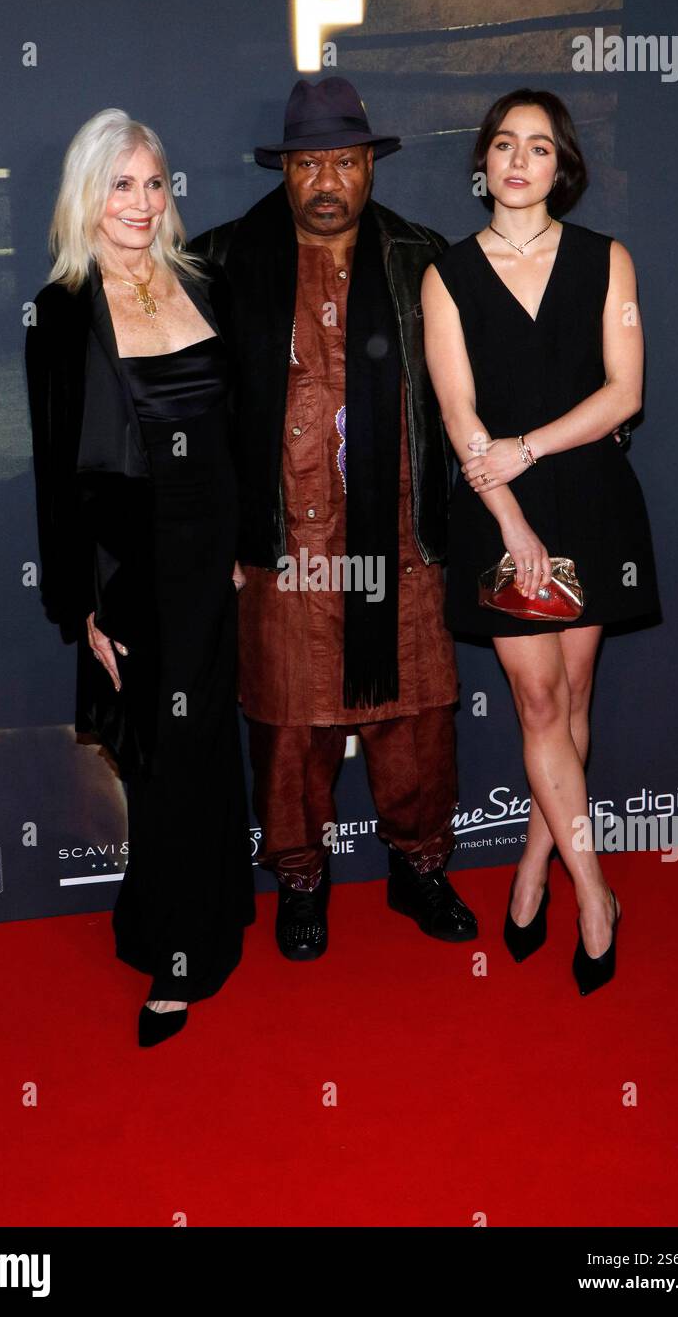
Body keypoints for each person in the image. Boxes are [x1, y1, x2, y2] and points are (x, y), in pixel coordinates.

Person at [191, 77, 477, 958]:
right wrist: (221, 534)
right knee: (287, 727)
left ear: (369, 168)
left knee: (415, 719)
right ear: (283, 171)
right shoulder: (224, 260)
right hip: (284, 542)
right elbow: (190, 411)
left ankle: (418, 869)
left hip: (399, 537)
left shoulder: (422, 258)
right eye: (309, 162)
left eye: (344, 162)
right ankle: (303, 881)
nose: (327, 181)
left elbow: (469, 392)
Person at [422, 88, 660, 996]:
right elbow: (458, 415)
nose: (520, 162)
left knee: (572, 700)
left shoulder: (608, 261)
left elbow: (624, 392)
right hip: (495, 513)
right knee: (536, 707)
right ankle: (594, 894)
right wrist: (511, 514)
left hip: (593, 501)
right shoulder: (445, 276)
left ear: (563, 167)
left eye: (540, 149)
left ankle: (532, 870)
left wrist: (534, 447)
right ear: (482, 161)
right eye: (504, 146)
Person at [25, 108, 255, 1046]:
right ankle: (170, 950)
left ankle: (215, 915)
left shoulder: (201, 283)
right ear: (88, 195)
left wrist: (245, 548)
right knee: (161, 752)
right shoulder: (63, 310)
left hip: (211, 556)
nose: (141, 202)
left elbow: (240, 430)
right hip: (134, 564)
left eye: (154, 183)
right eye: (121, 184)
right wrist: (80, 604)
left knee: (206, 745)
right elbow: (54, 471)